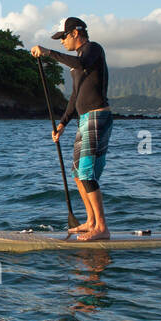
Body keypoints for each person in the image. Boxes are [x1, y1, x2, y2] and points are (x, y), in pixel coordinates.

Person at [30, 17, 112, 241]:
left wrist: (48, 53)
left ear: (76, 33)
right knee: (77, 174)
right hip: (83, 119)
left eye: (63, 37)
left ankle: (102, 228)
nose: (62, 42)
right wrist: (63, 123)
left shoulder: (92, 50)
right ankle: (91, 222)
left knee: (87, 173)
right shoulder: (77, 62)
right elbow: (75, 95)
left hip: (97, 116)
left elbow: (82, 64)